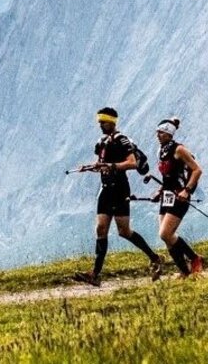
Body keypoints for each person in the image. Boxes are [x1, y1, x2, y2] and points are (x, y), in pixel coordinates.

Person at [71, 107, 164, 286]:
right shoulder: (101, 142)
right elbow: (102, 163)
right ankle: (95, 274)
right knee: (101, 229)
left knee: (124, 231)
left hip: (120, 189)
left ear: (112, 122)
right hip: (105, 189)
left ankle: (154, 257)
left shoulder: (122, 140)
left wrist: (112, 166)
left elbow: (132, 163)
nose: (101, 125)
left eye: (103, 122)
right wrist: (90, 167)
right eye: (99, 122)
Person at [152, 118, 205, 277]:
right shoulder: (161, 151)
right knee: (167, 238)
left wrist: (187, 190)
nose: (158, 135)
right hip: (167, 195)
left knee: (165, 233)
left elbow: (197, 170)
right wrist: (160, 190)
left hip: (180, 195)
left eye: (161, 132)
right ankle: (185, 271)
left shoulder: (179, 149)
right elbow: (168, 176)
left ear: (169, 134)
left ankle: (194, 258)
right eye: (157, 132)